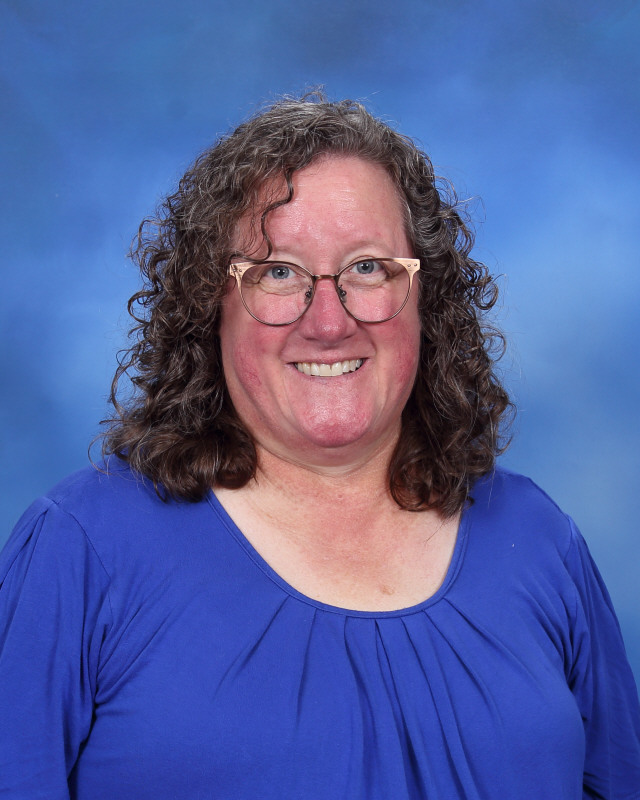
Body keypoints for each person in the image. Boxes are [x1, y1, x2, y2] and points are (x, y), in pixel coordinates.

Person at [1, 94, 639, 799]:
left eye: (369, 268)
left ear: (427, 300)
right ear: (209, 305)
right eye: (278, 272)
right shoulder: (82, 551)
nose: (329, 323)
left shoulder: (540, 540)